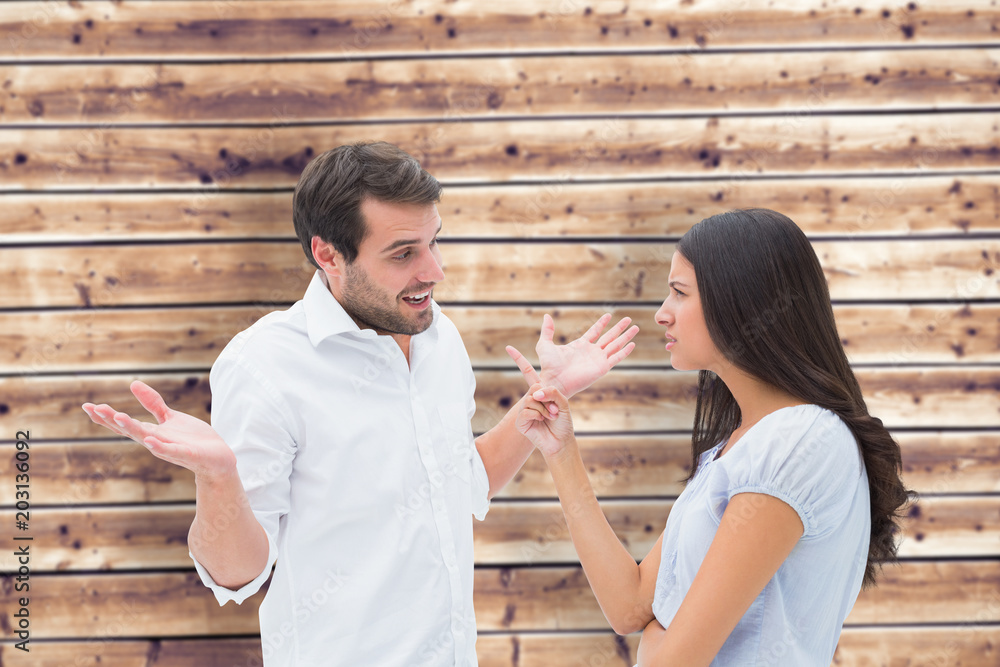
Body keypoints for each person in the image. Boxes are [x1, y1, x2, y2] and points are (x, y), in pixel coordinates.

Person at [81, 141, 639, 667]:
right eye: (403, 253)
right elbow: (236, 574)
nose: (434, 271)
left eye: (433, 241)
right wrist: (220, 478)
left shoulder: (439, 337)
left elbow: (460, 479)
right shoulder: (265, 365)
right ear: (328, 254)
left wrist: (548, 391)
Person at [509, 208, 912, 666]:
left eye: (679, 293)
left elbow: (674, 661)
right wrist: (562, 452)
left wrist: (660, 635)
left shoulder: (799, 441)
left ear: (742, 302)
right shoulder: (737, 447)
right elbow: (631, 605)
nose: (662, 314)